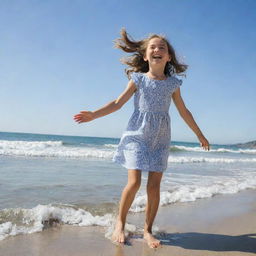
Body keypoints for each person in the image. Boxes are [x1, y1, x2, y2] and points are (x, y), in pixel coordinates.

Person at [73, 28, 210, 249]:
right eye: (153, 47)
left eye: (162, 48)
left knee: (154, 187)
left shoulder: (173, 84)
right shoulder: (138, 79)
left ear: (168, 57)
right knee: (134, 182)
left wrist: (199, 134)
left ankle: (147, 230)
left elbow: (184, 111)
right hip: (137, 134)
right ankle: (120, 223)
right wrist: (94, 114)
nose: (157, 49)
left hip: (160, 138)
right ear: (146, 56)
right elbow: (118, 103)